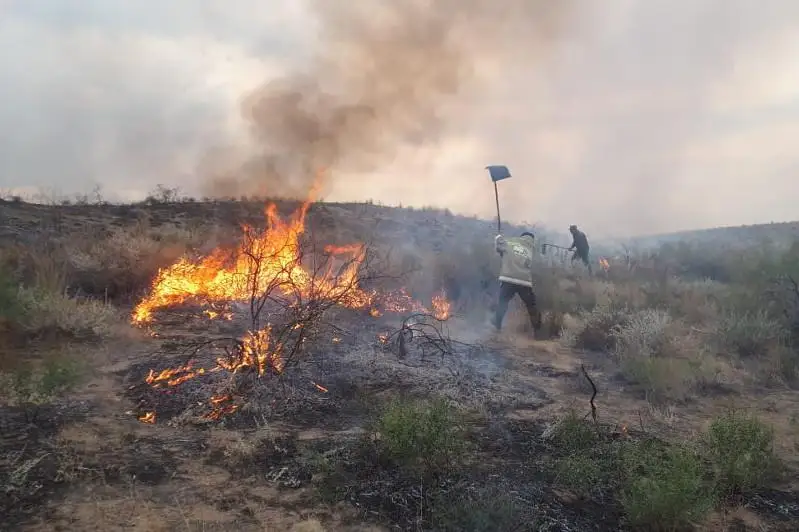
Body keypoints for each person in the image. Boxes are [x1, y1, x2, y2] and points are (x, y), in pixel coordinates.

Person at [492, 231, 542, 334]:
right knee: (531, 306)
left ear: (521, 237)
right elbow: (537, 264)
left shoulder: (510, 242)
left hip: (508, 279)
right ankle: (538, 331)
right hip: (525, 282)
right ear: (532, 239)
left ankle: (496, 327)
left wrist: (499, 237)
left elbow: (498, 244)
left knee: (503, 303)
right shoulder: (533, 249)